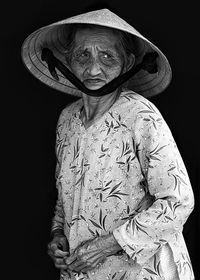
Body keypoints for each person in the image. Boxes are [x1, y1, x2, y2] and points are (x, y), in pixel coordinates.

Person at [21, 8, 195, 280]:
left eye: (107, 56)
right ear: (67, 60)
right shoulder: (67, 120)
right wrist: (58, 234)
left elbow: (178, 202)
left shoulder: (141, 116)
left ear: (127, 63)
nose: (93, 69)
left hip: (143, 272)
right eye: (82, 55)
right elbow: (64, 196)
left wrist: (105, 246)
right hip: (85, 273)